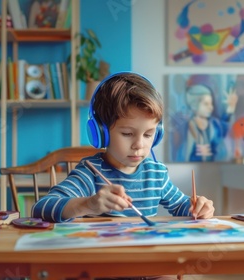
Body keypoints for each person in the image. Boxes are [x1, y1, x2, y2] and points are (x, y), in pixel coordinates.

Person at [32, 72, 214, 223]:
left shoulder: (156, 174)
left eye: (148, 134)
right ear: (101, 133)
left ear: (158, 134)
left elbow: (182, 208)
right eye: (127, 134)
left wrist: (198, 207)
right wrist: (88, 204)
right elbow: (41, 208)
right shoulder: (91, 172)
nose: (139, 145)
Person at [184, 84, 238, 162]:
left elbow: (224, 128)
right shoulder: (188, 125)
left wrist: (231, 107)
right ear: (194, 105)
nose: (211, 107)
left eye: (211, 103)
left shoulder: (215, 124)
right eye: (206, 104)